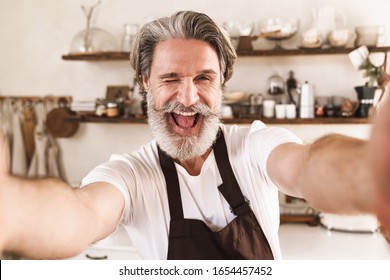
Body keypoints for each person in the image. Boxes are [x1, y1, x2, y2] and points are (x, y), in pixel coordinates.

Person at [0, 10, 389, 260]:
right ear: (145, 84)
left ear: (222, 84)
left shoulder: (252, 145)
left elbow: (307, 167)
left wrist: (372, 170)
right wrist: (13, 209)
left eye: (204, 78)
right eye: (170, 79)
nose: (188, 99)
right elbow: (80, 214)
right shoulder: (130, 175)